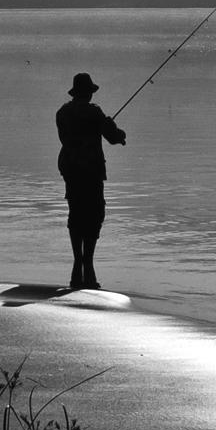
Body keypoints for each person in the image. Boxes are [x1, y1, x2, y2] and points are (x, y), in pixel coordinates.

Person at [55, 72, 127, 289]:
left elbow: (68, 137)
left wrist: (105, 124)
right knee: (94, 214)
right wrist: (116, 130)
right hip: (91, 171)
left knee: (75, 213)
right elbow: (114, 137)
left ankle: (78, 262)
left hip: (71, 170)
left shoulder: (62, 113)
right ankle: (88, 262)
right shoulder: (95, 113)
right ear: (88, 93)